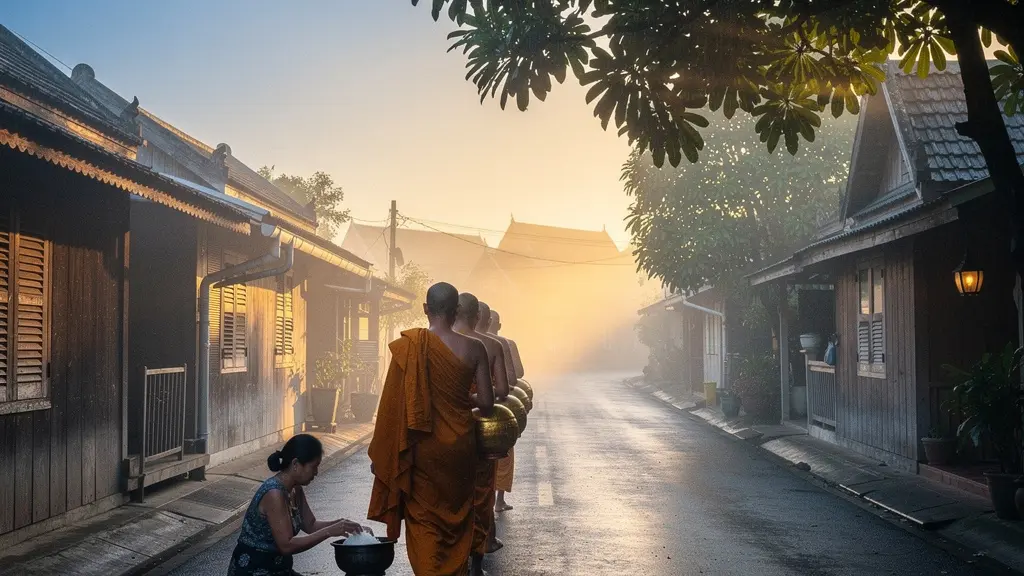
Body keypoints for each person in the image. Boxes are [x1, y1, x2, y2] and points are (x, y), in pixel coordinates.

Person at [368, 282, 495, 576]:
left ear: (426, 309)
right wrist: (464, 398)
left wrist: (385, 450)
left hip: (423, 448)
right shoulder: (475, 348)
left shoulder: (410, 346)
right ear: (456, 311)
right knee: (458, 515)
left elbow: (392, 405)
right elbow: (487, 404)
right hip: (460, 449)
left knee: (423, 518)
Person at [227, 434, 369, 576]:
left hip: (280, 569)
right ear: (295, 464)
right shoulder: (274, 493)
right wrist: (329, 531)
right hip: (255, 570)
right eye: (314, 467)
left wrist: (342, 524)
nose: (316, 473)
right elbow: (286, 546)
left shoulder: (295, 489)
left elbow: (311, 525)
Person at [454, 294, 510, 575]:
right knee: (480, 494)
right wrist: (473, 397)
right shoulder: (489, 345)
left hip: (446, 428)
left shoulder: (434, 342)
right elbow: (501, 392)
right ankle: (476, 563)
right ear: (478, 316)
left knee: (451, 495)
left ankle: (452, 560)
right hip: (481, 429)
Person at [487, 310, 524, 514]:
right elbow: (515, 375)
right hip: (498, 407)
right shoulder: (505, 343)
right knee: (503, 454)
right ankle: (499, 500)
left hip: (470, 407)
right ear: (498, 325)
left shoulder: (460, 340)